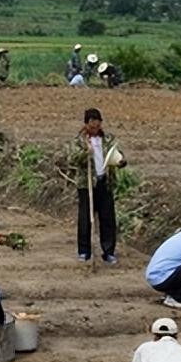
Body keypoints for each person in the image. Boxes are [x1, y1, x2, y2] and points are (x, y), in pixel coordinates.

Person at [73, 108, 125, 264]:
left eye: (98, 125)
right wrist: (85, 153)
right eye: (92, 125)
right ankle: (84, 251)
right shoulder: (79, 140)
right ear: (87, 124)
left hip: (105, 182)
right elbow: (71, 159)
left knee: (107, 218)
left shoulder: (108, 139)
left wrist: (121, 162)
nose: (96, 128)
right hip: (86, 184)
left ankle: (108, 251)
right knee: (85, 219)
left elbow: (117, 154)